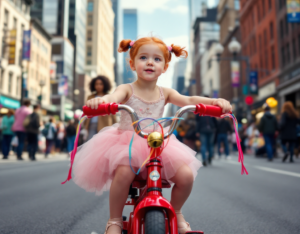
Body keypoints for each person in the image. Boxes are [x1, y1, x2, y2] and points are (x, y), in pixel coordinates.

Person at [63, 37, 232, 234]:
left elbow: (189, 99)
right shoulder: (126, 89)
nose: (150, 62)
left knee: (186, 176)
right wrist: (101, 101)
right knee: (124, 173)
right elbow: (113, 98)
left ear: (165, 67)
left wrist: (215, 101)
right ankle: (115, 220)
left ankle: (177, 213)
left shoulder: (165, 92)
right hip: (127, 143)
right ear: (132, 64)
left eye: (157, 59)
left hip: (158, 144)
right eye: (143, 57)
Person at [85, 75, 116, 141]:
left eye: (101, 84)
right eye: (96, 84)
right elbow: (86, 111)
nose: (98, 86)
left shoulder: (109, 96)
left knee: (104, 144)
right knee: (90, 143)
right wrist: (85, 126)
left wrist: (115, 124)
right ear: (93, 85)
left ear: (105, 85)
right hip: (91, 124)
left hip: (106, 124)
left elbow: (113, 112)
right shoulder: (90, 97)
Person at [195, 102, 218, 166]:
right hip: (211, 130)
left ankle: (204, 159)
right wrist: (215, 128)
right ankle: (210, 158)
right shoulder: (211, 111)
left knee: (203, 145)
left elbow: (197, 122)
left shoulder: (200, 111)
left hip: (202, 130)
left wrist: (197, 131)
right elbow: (216, 122)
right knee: (211, 145)